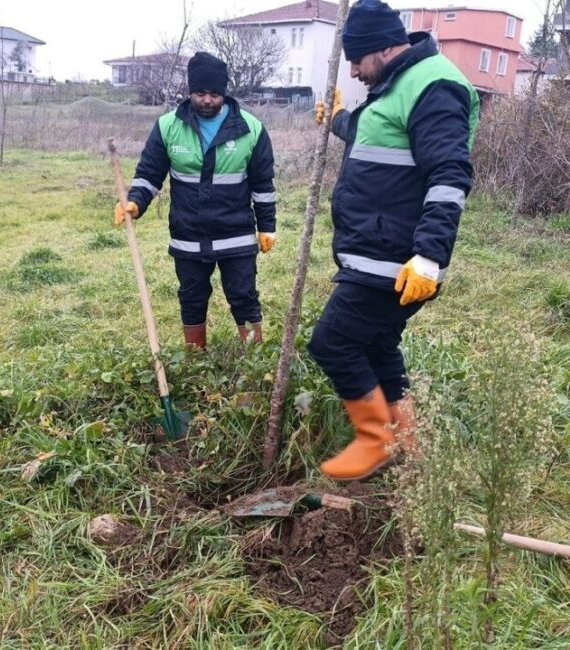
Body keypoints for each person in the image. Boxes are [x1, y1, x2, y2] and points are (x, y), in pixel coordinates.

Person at [308, 0, 480, 481]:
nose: (353, 71)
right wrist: (337, 118)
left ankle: (375, 440)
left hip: (396, 259)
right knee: (378, 344)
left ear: (384, 49)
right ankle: (408, 439)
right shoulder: (398, 83)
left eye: (357, 60)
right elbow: (376, 134)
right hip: (376, 250)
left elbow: (449, 174)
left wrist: (428, 255)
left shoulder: (435, 86)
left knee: (332, 342)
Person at [114, 52, 278, 350]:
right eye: (200, 93)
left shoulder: (250, 129)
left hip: (236, 233)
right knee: (191, 298)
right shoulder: (168, 127)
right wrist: (135, 202)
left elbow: (262, 184)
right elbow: (149, 174)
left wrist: (267, 226)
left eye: (214, 94)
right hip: (188, 233)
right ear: (190, 91)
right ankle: (195, 359)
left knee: (244, 297)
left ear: (224, 93)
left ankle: (255, 358)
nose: (207, 100)